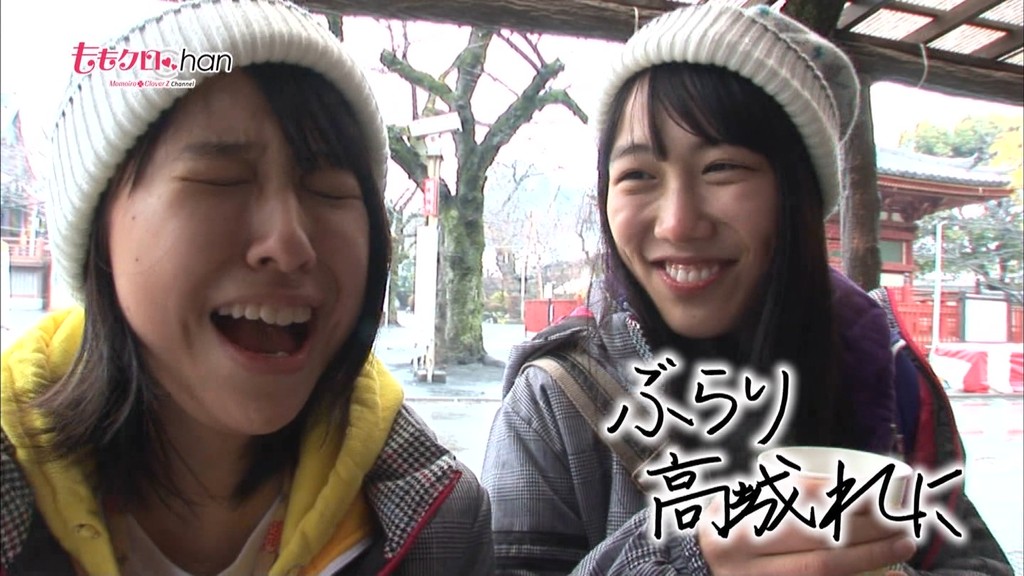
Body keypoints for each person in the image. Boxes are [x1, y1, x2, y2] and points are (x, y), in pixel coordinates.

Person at [481, 4, 1011, 575]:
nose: (678, 224)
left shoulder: (885, 369)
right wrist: (686, 560)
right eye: (638, 175)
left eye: (722, 168)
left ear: (797, 195)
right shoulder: (557, 398)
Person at [0, 1, 493, 574]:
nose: (288, 242)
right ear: (99, 231)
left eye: (329, 190)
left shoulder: (438, 522)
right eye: (221, 180)